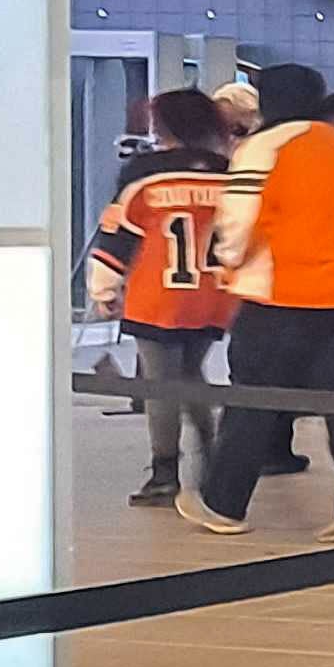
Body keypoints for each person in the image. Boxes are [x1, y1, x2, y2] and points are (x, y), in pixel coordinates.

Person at [184, 59, 334, 542]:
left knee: (252, 402)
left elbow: (238, 223)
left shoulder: (261, 148)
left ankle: (223, 504)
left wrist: (227, 263)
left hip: (277, 297)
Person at [86, 86, 234, 506]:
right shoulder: (226, 171)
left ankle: (164, 473)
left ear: (162, 124)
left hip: (158, 292)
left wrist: (104, 287)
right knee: (191, 372)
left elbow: (119, 233)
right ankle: (213, 454)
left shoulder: (143, 172)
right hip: (212, 292)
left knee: (159, 383)